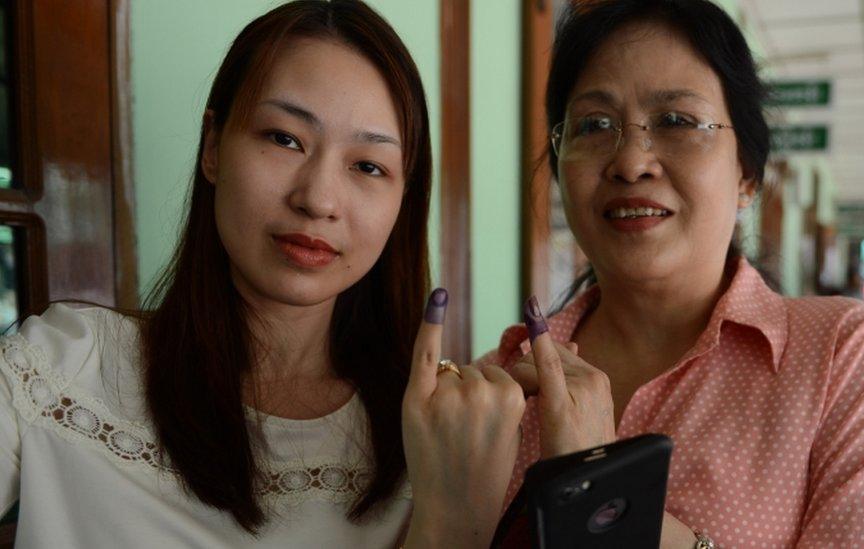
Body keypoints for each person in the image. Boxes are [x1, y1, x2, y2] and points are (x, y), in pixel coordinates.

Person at [0, 1, 523, 547]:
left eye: (368, 166)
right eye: (284, 138)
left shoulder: (438, 437)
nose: (318, 199)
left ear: (403, 202)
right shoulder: (65, 371)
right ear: (212, 147)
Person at [479, 1, 864, 546]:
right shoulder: (501, 382)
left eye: (676, 121)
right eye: (594, 125)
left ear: (746, 173)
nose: (630, 162)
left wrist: (602, 489)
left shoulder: (840, 354)